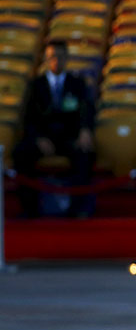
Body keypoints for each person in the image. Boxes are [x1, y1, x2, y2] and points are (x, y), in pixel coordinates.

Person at [13, 40, 95, 217]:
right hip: (43, 138)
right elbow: (27, 118)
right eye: (52, 57)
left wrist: (85, 130)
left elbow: (86, 110)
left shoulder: (77, 84)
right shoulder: (36, 85)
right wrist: (37, 138)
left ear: (66, 58)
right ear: (46, 59)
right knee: (21, 154)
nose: (56, 60)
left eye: (60, 56)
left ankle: (78, 209)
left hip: (68, 138)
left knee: (85, 154)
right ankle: (30, 208)